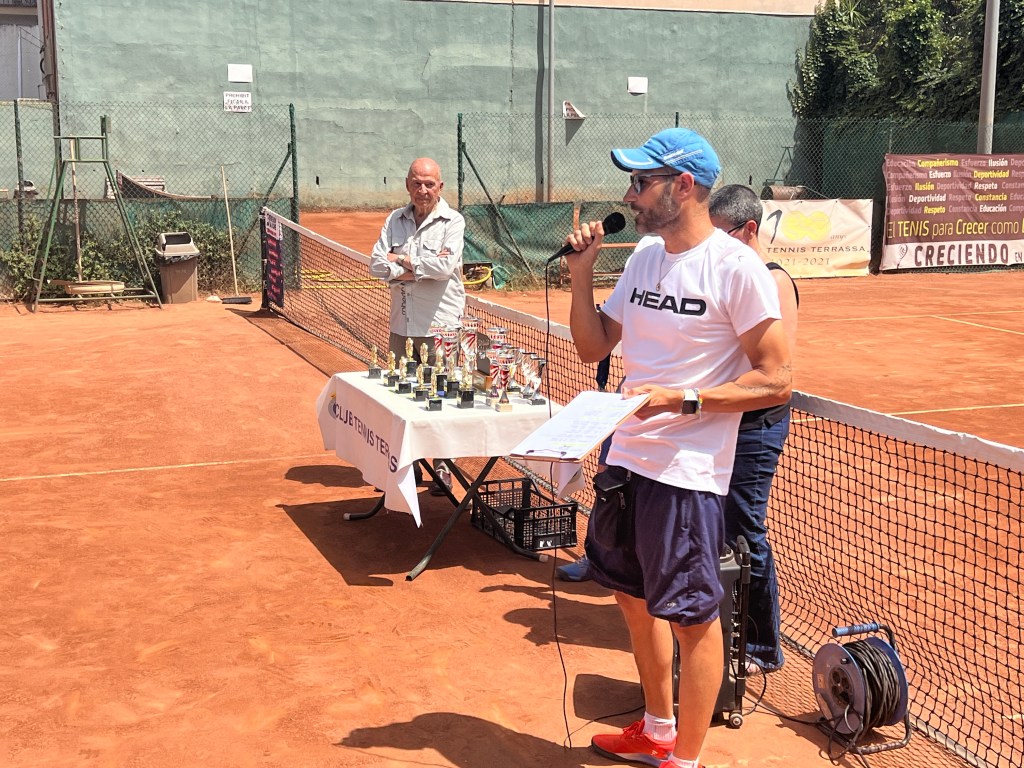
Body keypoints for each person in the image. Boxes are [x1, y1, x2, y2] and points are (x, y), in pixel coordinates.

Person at [562, 128, 792, 768]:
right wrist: (581, 275)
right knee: (632, 601)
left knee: (693, 620)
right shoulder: (642, 258)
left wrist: (683, 398)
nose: (629, 195)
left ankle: (685, 761)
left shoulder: (737, 268)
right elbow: (592, 345)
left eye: (641, 182)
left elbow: (776, 379)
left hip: (687, 473)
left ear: (683, 186)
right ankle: (657, 727)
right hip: (625, 459)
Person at [708, 183, 799, 673]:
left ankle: (763, 646)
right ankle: (720, 625)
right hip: (719, 419)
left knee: (744, 531)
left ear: (748, 230)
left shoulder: (773, 280)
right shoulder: (727, 274)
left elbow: (776, 376)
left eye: (721, 234)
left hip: (755, 428)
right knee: (715, 526)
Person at [370, 157, 466, 494]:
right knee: (402, 396)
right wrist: (415, 268)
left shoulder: (453, 221)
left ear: (440, 187)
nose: (422, 190)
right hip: (402, 322)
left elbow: (444, 269)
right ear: (407, 185)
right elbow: (376, 265)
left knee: (442, 397)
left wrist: (400, 261)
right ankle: (407, 466)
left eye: (429, 184)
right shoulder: (394, 220)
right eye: (416, 183)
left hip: (440, 326)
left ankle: (443, 467)